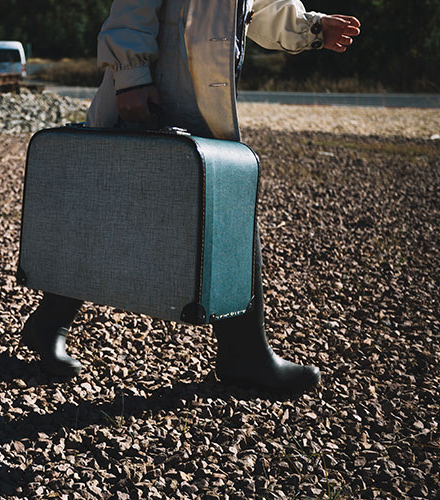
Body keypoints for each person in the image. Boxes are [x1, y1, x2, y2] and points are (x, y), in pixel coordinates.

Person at [21, 0, 360, 393]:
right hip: (154, 89)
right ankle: (242, 354)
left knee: (216, 205)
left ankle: (242, 352)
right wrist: (130, 74)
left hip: (196, 92)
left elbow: (258, 6)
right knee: (118, 203)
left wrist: (310, 27)